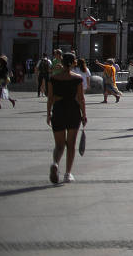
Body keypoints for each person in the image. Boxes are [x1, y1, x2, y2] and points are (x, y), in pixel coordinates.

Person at [47, 52, 86, 184]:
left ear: (61, 63)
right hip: (73, 112)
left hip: (58, 111)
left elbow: (50, 98)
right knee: (71, 145)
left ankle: (55, 163)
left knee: (59, 145)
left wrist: (48, 114)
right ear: (74, 62)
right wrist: (84, 115)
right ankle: (68, 173)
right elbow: (81, 98)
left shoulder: (54, 78)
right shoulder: (77, 78)